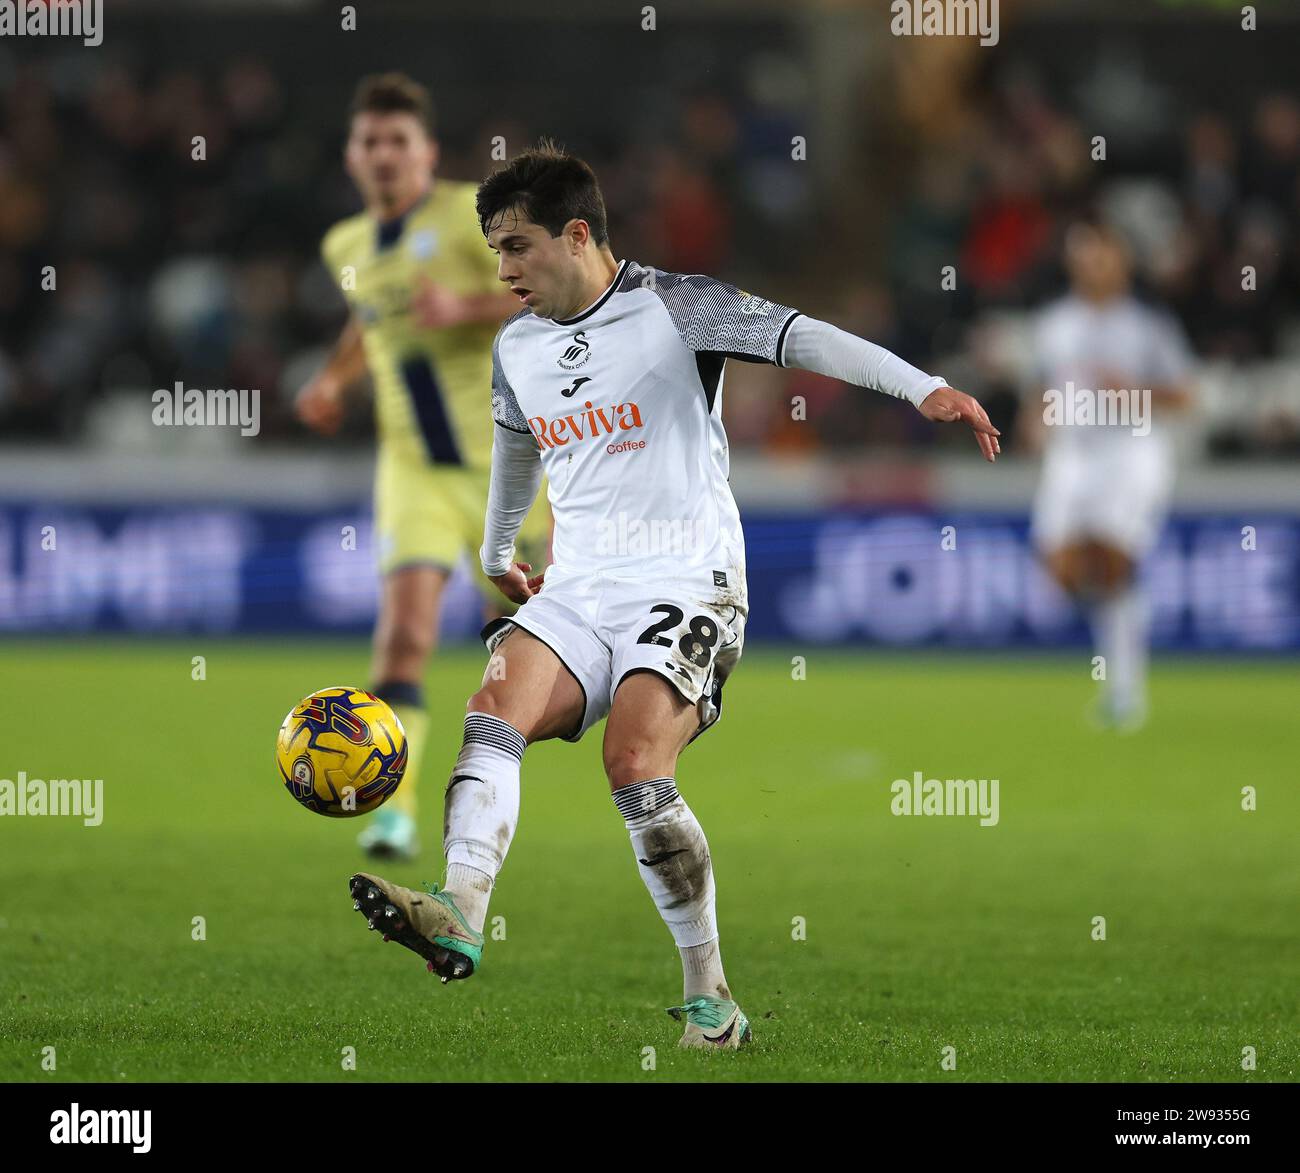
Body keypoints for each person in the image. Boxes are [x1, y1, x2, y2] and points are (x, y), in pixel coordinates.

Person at [349, 140, 999, 1048]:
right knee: (494, 704)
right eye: (495, 251)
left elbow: (802, 334)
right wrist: (500, 548)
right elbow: (518, 447)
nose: (503, 272)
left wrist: (922, 387)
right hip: (578, 585)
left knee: (634, 761)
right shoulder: (518, 347)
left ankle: (711, 998)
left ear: (578, 235)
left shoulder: (674, 306)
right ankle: (459, 906)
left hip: (688, 578)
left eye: (518, 248)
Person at [297, 75, 550, 858]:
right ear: (352, 155)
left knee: (510, 654)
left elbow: (547, 289)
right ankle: (395, 812)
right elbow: (370, 317)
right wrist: (334, 379)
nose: (383, 154)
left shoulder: (474, 216)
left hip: (510, 467)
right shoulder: (344, 244)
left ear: (426, 152)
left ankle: (479, 818)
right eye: (369, 141)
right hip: (413, 469)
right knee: (403, 637)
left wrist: (465, 309)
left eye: (397, 141)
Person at [1028, 221, 1194, 730]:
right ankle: (1121, 650)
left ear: (1121, 262)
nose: (1092, 264)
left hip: (1131, 450)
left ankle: (1125, 691)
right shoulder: (1053, 324)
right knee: (1062, 569)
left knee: (1109, 560)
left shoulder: (1148, 325)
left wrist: (1134, 391)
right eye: (1084, 255)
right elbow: (1040, 391)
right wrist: (1034, 422)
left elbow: (1186, 396)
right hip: (1072, 453)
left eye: (1102, 255)